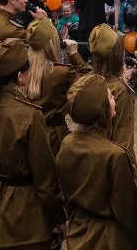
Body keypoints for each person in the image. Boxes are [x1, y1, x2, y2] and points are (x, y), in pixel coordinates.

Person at [0, 38, 66, 250]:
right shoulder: (30, 115)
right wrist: (58, 217)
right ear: (20, 76)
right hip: (29, 209)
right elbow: (45, 177)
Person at [55, 74, 137, 250]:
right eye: (110, 97)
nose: (114, 101)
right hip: (110, 243)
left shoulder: (67, 143)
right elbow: (128, 212)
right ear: (101, 108)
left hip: (79, 234)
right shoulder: (115, 155)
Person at [22, 18, 89, 154]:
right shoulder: (61, 73)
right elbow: (91, 84)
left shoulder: (20, 69)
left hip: (25, 134)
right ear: (52, 44)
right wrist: (74, 54)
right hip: (53, 138)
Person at [89, 25, 137, 163]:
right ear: (117, 54)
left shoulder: (88, 81)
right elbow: (124, 140)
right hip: (113, 163)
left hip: (92, 158)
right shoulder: (120, 91)